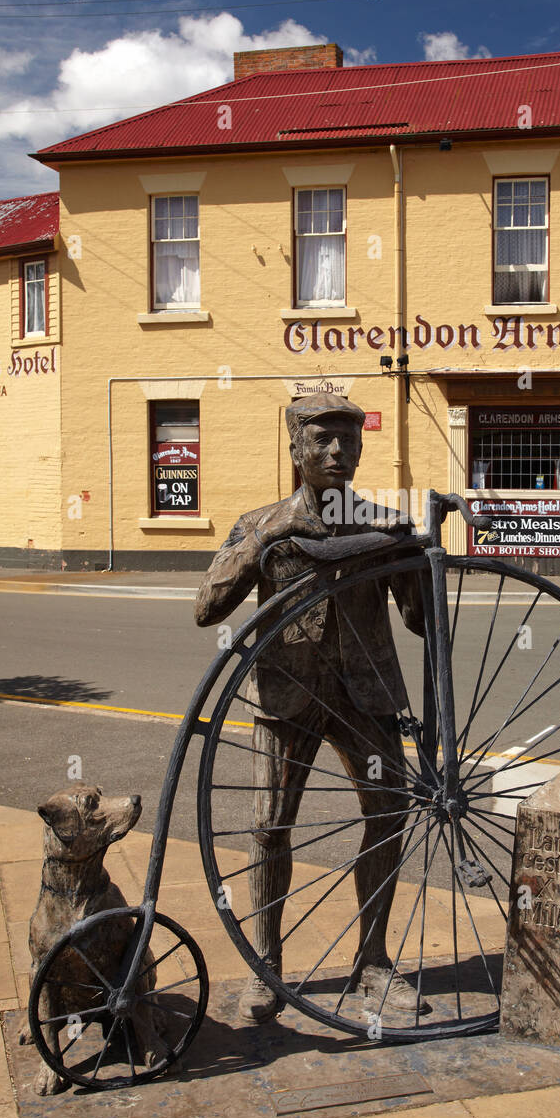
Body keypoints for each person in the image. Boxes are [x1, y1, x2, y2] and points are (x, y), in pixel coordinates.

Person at [194, 393, 427, 1024]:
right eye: (321, 441)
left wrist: (414, 561)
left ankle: (372, 960)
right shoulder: (261, 521)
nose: (335, 453)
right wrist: (266, 540)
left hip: (367, 693)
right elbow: (207, 607)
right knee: (269, 825)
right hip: (286, 695)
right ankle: (264, 966)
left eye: (347, 442)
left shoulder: (380, 523)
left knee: (388, 815)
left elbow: (420, 622)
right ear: (295, 448)